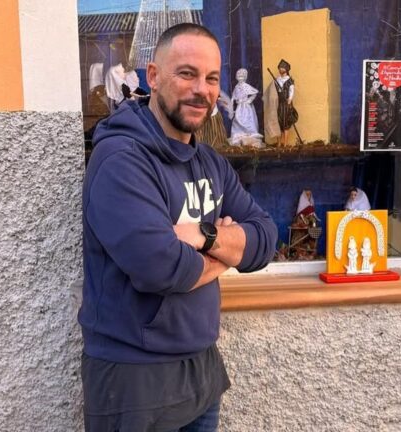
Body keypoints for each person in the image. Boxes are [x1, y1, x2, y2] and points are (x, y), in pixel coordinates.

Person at [79, 23, 278, 432]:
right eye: (186, 73)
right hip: (134, 378)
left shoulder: (210, 162)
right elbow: (163, 269)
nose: (201, 90)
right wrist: (227, 255)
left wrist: (206, 237)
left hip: (201, 368)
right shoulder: (121, 161)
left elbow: (266, 238)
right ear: (153, 76)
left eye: (211, 78)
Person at [264, 59, 298, 146]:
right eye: (280, 68)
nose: (280, 69)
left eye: (282, 68)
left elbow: (291, 90)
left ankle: (285, 143)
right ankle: (279, 143)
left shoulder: (289, 80)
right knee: (278, 122)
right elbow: (273, 90)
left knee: (285, 124)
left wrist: (290, 99)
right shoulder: (277, 80)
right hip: (278, 104)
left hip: (286, 104)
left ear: (286, 69)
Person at [229, 68, 262, 147]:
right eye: (238, 76)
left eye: (242, 77)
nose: (240, 78)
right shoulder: (236, 87)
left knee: (248, 120)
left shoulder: (246, 86)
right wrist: (231, 104)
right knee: (237, 119)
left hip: (246, 107)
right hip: (239, 107)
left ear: (245, 77)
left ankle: (250, 136)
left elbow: (255, 92)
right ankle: (239, 135)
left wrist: (249, 100)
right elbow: (233, 96)